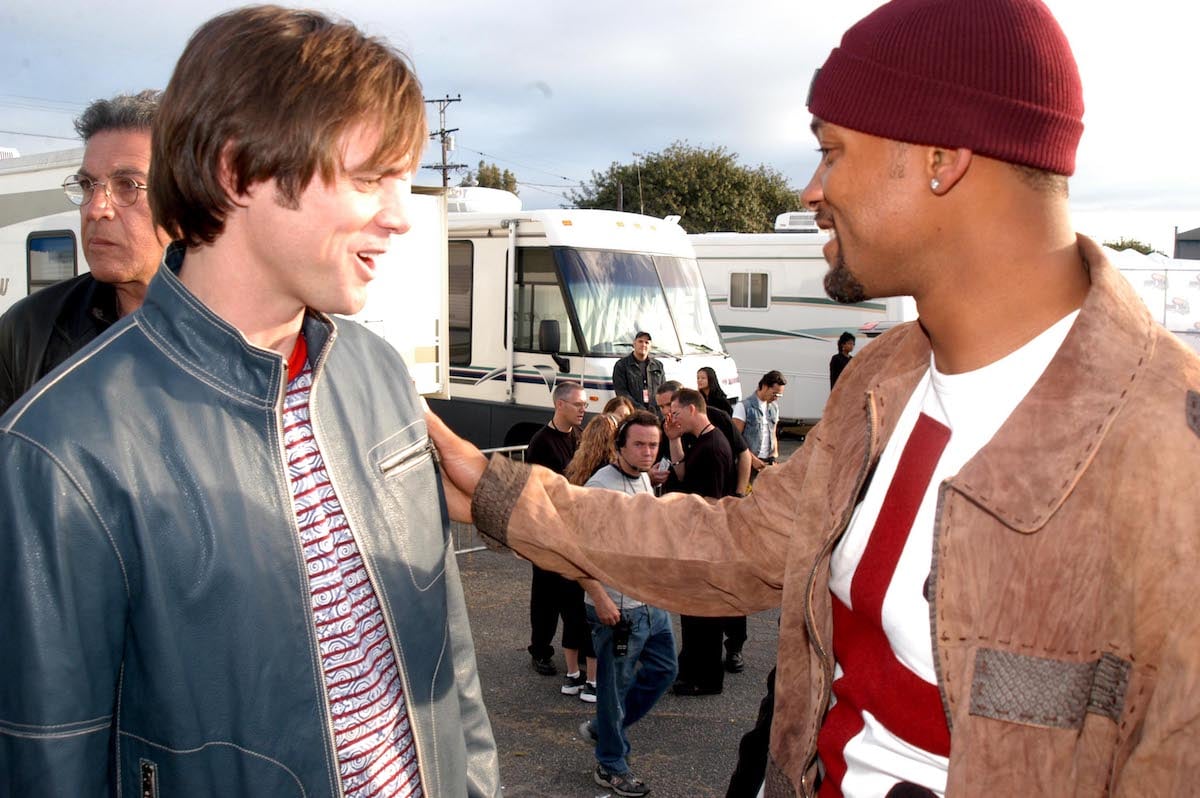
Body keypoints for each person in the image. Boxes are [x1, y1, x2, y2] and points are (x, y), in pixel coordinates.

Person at [428, 0, 1200, 794]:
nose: (811, 188)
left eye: (832, 152)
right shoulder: (885, 376)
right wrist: (503, 494)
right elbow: (745, 544)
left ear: (943, 158)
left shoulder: (1170, 456)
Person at [0, 8, 500, 796]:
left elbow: (450, 658)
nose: (400, 215)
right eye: (370, 178)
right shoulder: (62, 445)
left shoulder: (376, 374)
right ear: (238, 172)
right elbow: (50, 755)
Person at [0, 90, 169, 415]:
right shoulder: (30, 330)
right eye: (87, 186)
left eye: (127, 186)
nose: (95, 209)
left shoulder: (259, 332)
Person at [577, 410, 678, 797]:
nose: (647, 451)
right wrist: (600, 598)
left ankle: (605, 728)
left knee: (664, 671)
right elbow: (575, 551)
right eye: (638, 444)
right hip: (617, 611)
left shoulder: (643, 481)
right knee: (612, 691)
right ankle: (611, 765)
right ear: (619, 446)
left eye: (653, 444)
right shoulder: (600, 488)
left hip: (650, 605)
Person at [524, 380, 598, 701]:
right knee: (545, 594)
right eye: (579, 404)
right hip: (548, 531)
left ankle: (577, 650)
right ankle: (540, 649)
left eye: (585, 404)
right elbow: (539, 490)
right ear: (560, 405)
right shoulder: (542, 442)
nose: (584, 409)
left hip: (574, 531)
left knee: (572, 596)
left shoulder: (580, 437)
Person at [661, 388, 734, 697]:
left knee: (705, 615)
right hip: (693, 538)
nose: (671, 418)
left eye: (675, 413)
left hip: (705, 542)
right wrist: (673, 437)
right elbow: (681, 472)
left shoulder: (715, 446)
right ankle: (690, 667)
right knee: (691, 611)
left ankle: (706, 678)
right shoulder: (700, 440)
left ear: (692, 410)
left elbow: (712, 501)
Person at [732, 370, 786, 480]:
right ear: (765, 387)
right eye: (774, 394)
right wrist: (752, 459)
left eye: (779, 395)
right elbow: (736, 439)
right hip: (748, 463)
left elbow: (773, 434)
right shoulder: (744, 406)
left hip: (767, 463)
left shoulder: (774, 408)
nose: (776, 397)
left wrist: (774, 456)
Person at [611, 330, 664, 414]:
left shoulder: (658, 366)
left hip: (655, 415)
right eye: (640, 341)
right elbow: (621, 392)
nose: (643, 345)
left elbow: (663, 390)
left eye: (647, 342)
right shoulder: (621, 365)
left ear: (650, 346)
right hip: (633, 414)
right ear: (634, 344)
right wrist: (639, 409)